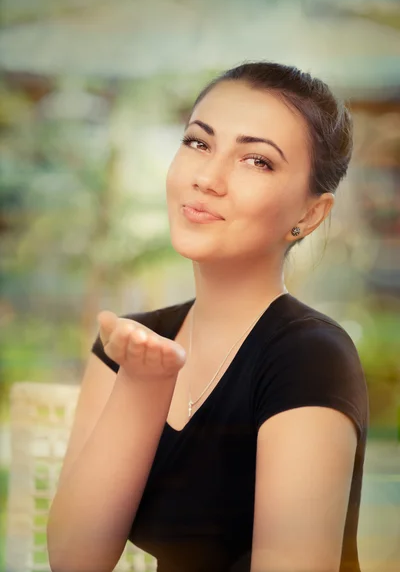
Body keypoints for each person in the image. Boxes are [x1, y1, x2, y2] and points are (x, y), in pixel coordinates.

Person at [47, 61, 369, 572]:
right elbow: (74, 560)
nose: (207, 178)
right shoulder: (134, 343)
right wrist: (141, 386)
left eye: (257, 161)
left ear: (309, 215)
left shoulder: (310, 356)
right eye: (199, 143)